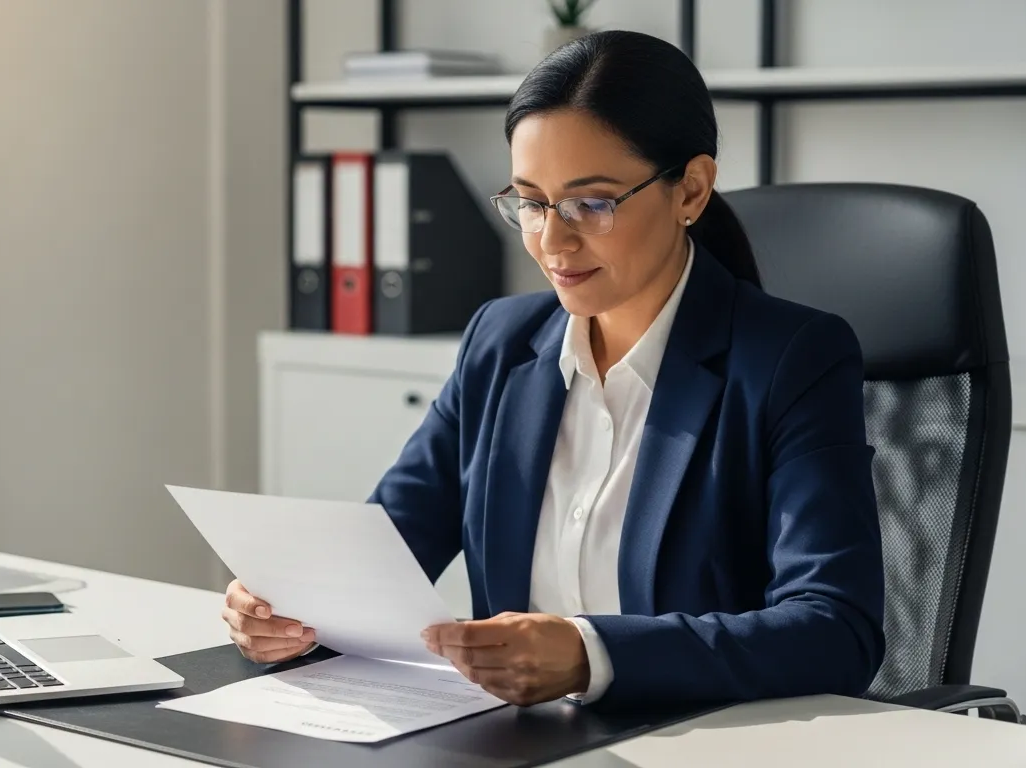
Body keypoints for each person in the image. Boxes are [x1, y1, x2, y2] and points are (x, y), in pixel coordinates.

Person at [221, 29, 885, 708]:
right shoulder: (500, 345)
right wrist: (291, 611)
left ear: (690, 189)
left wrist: (591, 654)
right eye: (531, 202)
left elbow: (836, 630)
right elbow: (384, 555)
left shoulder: (792, 359)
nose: (553, 240)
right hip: (509, 745)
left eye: (591, 204)